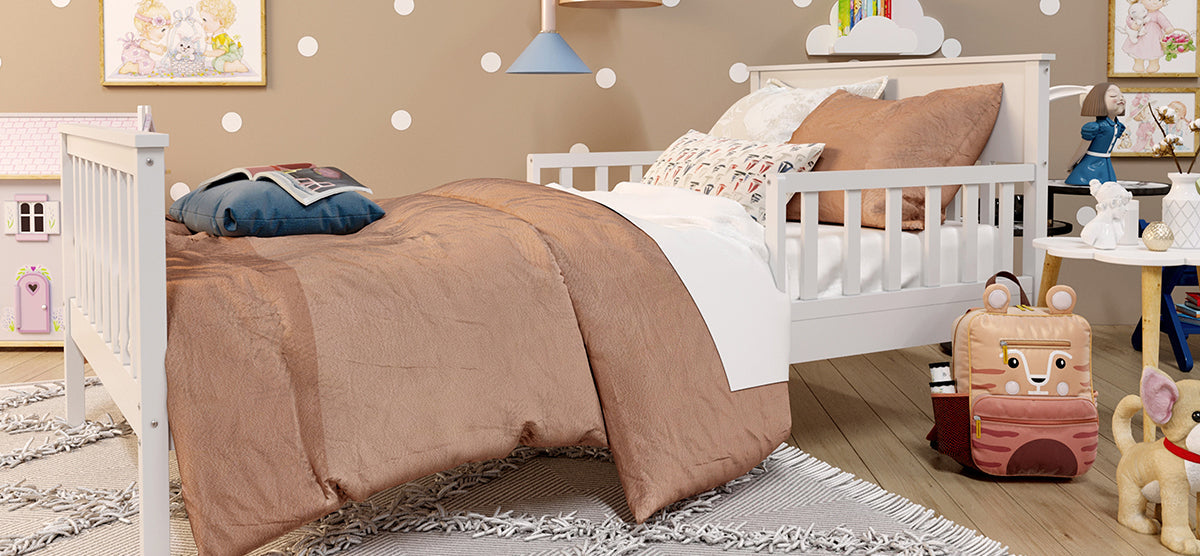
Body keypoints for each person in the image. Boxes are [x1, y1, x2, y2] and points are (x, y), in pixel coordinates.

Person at [1065, 83, 1127, 186]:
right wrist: (1070, 164)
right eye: (1113, 96)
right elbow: (1083, 148)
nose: (1121, 99)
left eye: (1122, 96)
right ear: (1099, 101)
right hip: (1089, 167)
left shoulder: (1118, 126)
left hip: (1106, 165)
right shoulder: (1095, 127)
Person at [118, 0, 171, 76]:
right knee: (150, 64)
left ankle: (132, 66)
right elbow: (154, 49)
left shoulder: (140, 38)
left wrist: (160, 47)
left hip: (133, 56)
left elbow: (152, 46)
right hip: (133, 58)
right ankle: (132, 67)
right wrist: (159, 49)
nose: (164, 34)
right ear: (148, 28)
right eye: (162, 30)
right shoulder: (142, 41)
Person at [197, 0, 249, 74]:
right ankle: (233, 65)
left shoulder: (221, 37)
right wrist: (210, 41)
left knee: (219, 64)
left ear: (220, 22)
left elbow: (221, 51)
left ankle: (236, 65)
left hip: (231, 55)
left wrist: (210, 53)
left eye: (205, 20)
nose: (203, 24)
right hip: (226, 55)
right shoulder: (218, 35)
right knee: (214, 63)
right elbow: (216, 42)